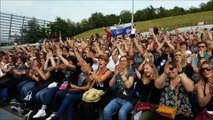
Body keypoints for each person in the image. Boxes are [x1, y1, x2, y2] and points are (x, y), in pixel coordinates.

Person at [79, 54, 113, 120]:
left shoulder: (109, 71)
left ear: (106, 62)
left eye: (102, 60)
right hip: (94, 92)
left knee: (88, 106)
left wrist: (89, 71)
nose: (100, 62)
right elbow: (89, 80)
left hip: (103, 94)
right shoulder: (96, 71)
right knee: (82, 104)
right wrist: (86, 73)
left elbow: (100, 80)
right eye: (99, 60)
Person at [103, 56, 137, 120]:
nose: (122, 62)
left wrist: (121, 74)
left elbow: (128, 85)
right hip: (119, 98)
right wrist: (115, 75)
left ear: (127, 63)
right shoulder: (118, 73)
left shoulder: (131, 73)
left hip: (129, 99)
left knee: (121, 113)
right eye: (121, 61)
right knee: (106, 110)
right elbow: (110, 85)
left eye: (124, 61)